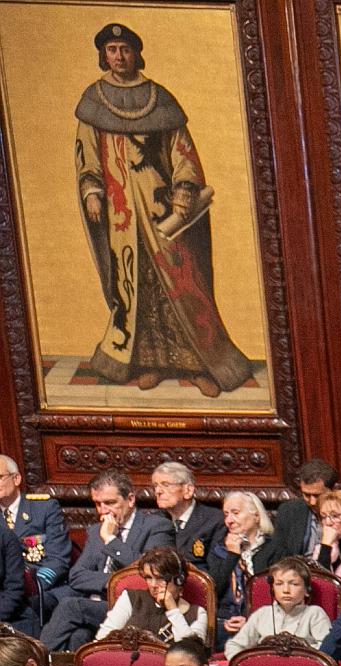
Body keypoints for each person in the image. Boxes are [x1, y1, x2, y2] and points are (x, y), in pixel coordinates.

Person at [73, 27, 256, 400]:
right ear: (103, 55)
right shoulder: (94, 101)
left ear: (136, 53)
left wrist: (184, 192)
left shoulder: (159, 99)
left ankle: (201, 365)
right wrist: (92, 191)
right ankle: (151, 363)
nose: (119, 56)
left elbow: (182, 151)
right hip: (122, 217)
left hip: (162, 211)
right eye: (112, 50)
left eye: (125, 49)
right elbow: (86, 154)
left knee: (184, 282)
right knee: (135, 288)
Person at [37, 471, 164, 651]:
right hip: (97, 605)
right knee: (78, 636)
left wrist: (111, 540)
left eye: (110, 503)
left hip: (137, 606)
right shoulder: (96, 530)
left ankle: (36, 660)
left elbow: (149, 572)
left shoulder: (156, 526)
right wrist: (113, 582)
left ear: (130, 499)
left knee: (70, 606)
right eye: (98, 504)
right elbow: (77, 575)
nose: (103, 510)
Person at [0, 455, 72, 638]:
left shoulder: (44, 508)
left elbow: (58, 559)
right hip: (7, 586)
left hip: (41, 586)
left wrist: (35, 583)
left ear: (16, 478)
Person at [100, 547, 208, 645]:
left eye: (160, 578)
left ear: (179, 580)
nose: (153, 585)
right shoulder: (131, 598)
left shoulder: (197, 613)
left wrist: (173, 610)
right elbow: (102, 642)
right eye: (148, 577)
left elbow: (191, 653)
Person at [212, 490, 282, 638]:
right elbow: (213, 592)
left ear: (256, 516)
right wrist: (232, 555)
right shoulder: (219, 548)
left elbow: (278, 592)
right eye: (226, 514)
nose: (229, 520)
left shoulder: (275, 548)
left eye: (235, 513)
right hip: (224, 623)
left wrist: (251, 620)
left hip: (265, 622)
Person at [226, 557, 330, 657]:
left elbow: (327, 649)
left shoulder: (314, 613)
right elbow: (234, 645)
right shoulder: (262, 614)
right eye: (279, 584)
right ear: (272, 589)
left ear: (307, 590)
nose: (286, 590)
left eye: (294, 584)